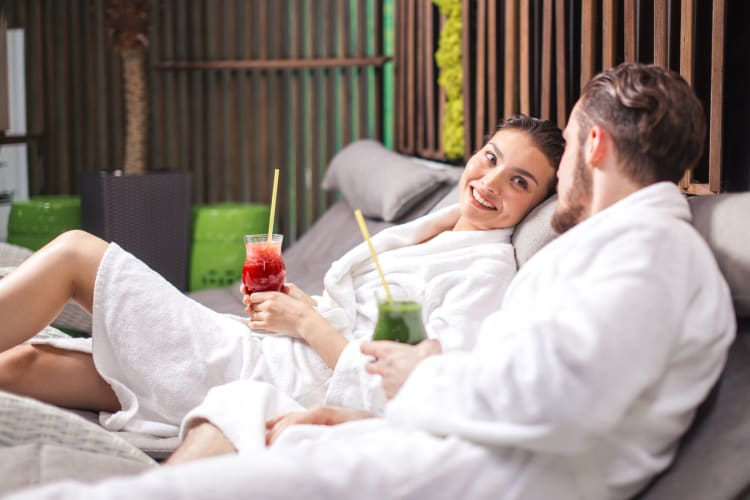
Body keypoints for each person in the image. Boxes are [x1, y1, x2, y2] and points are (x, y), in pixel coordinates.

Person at [7, 62, 735, 500]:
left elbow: (556, 397)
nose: (491, 185)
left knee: (223, 409)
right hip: (424, 441)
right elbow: (539, 388)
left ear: (595, 143)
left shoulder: (651, 254)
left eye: (564, 150)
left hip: (451, 477)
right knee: (232, 414)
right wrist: (376, 411)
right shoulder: (623, 248)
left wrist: (421, 374)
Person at [0, 115, 562, 438]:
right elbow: (359, 315)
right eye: (490, 158)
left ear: (540, 201)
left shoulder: (488, 273)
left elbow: (414, 392)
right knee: (22, 364)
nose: (490, 182)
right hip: (268, 347)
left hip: (278, 378)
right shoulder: (436, 228)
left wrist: (307, 323)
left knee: (77, 252)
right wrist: (303, 307)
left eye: (519, 182)